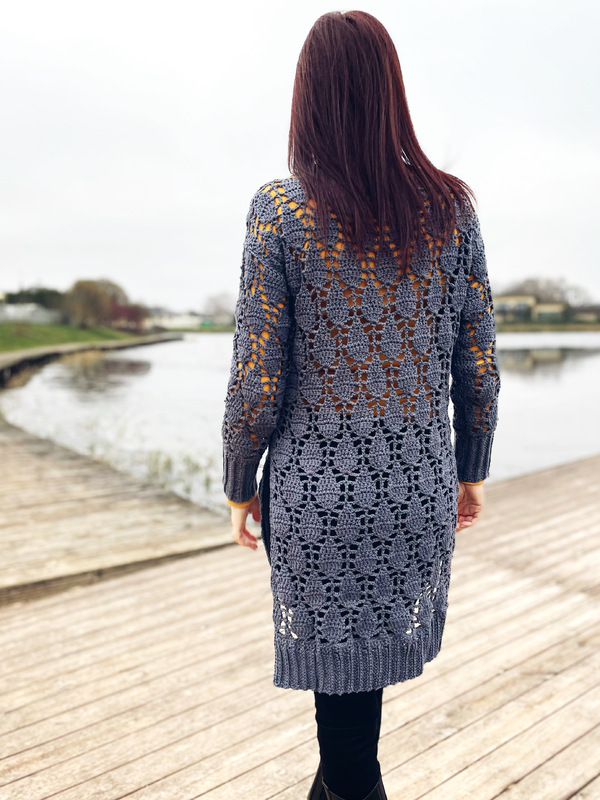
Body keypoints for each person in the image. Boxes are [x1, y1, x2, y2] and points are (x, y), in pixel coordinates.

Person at [221, 10, 500, 800]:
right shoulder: (451, 210)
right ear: (389, 92)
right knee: (350, 732)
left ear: (308, 96)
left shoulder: (281, 211)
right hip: (416, 491)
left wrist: (239, 484)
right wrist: (470, 470)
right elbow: (478, 363)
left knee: (348, 751)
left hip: (317, 502)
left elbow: (256, 379)